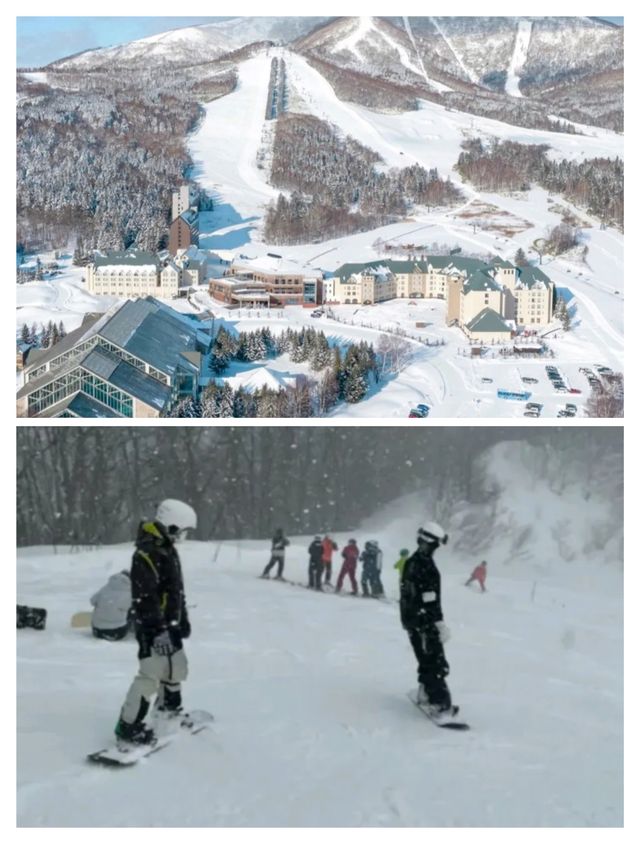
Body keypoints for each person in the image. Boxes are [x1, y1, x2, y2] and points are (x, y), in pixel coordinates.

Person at [114, 499, 197, 746]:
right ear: (171, 525)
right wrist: (157, 630)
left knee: (176, 667)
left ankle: (168, 710)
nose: (183, 536)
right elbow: (145, 597)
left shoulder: (167, 548)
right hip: (153, 627)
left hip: (169, 625)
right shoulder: (146, 552)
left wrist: (181, 620)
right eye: (182, 530)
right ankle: (128, 726)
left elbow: (174, 591)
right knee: (150, 674)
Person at [400, 522, 456, 720]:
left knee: (426, 657)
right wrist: (437, 622)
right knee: (435, 661)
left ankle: (425, 690)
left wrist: (411, 620)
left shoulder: (412, 562)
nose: (434, 549)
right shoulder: (425, 566)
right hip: (423, 621)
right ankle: (438, 700)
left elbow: (411, 593)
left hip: (412, 620)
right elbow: (429, 599)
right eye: (435, 545)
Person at [90, 570, 133, 641]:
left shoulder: (105, 588)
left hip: (97, 631)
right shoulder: (128, 593)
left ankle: (102, 619)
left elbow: (92, 601)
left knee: (100, 604)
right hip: (116, 633)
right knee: (133, 610)